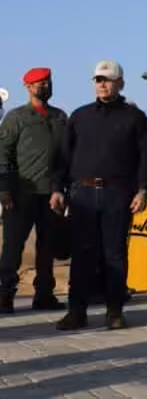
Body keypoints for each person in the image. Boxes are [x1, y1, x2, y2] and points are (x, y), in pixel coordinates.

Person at [52, 60, 147, 331]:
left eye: (108, 79)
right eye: (98, 79)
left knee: (115, 254)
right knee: (82, 254)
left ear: (120, 83)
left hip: (118, 194)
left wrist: (143, 189)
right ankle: (77, 312)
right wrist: (57, 189)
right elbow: (64, 156)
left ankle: (114, 311)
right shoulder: (80, 116)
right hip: (83, 194)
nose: (102, 84)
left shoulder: (135, 117)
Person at [0, 68, 67, 313]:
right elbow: (3, 154)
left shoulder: (60, 118)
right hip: (21, 194)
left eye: (48, 82)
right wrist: (5, 189)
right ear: (28, 87)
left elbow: (64, 158)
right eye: (40, 84)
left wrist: (61, 189)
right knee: (12, 247)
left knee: (47, 248)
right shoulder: (16, 118)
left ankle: (44, 294)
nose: (45, 87)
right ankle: (4, 294)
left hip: (51, 195)